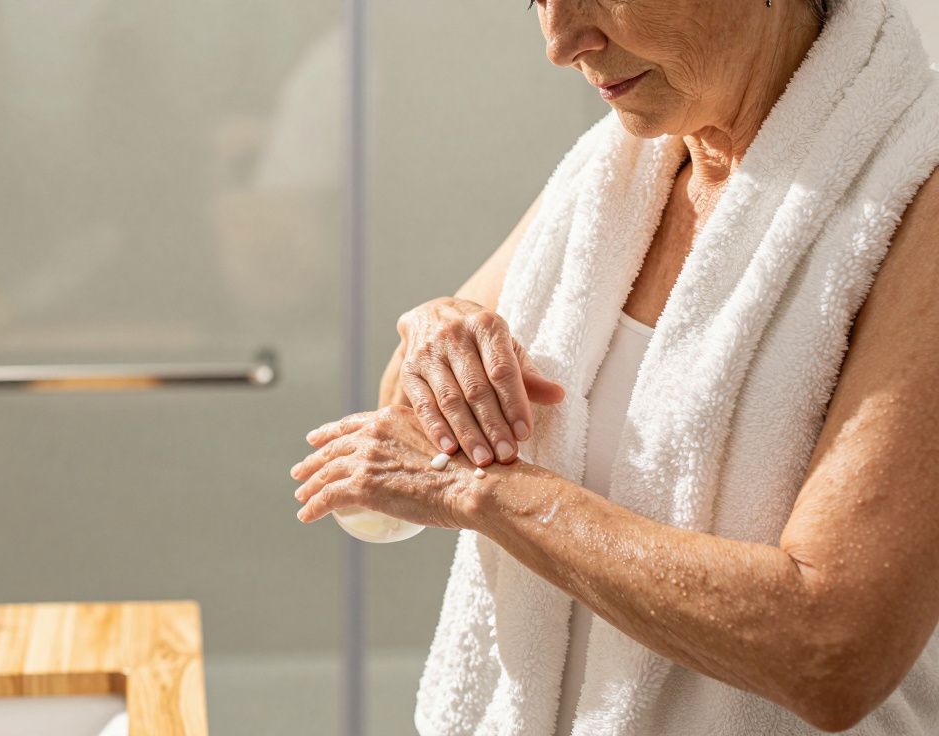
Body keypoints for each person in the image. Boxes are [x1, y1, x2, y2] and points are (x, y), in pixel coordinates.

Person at [290, 0, 939, 732]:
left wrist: (493, 497)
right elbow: (403, 426)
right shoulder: (618, 175)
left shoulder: (918, 194)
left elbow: (834, 650)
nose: (562, 43)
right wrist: (437, 328)